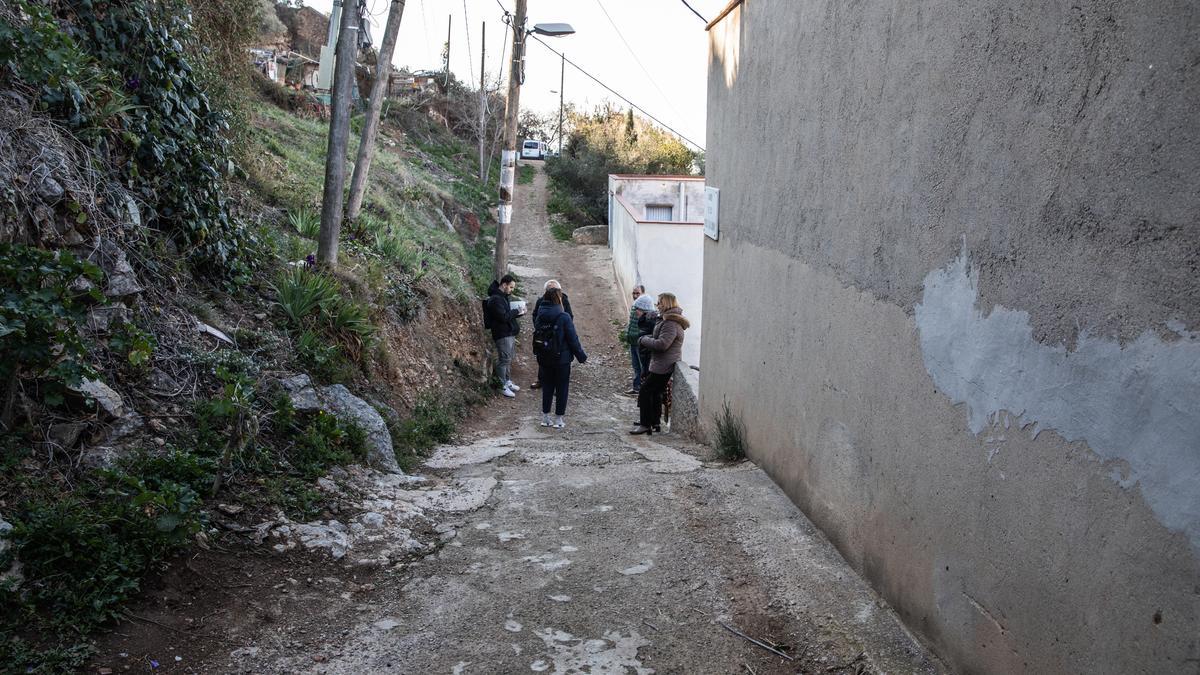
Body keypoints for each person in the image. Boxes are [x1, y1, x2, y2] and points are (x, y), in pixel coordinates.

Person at [631, 292, 688, 435]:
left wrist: (643, 339)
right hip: (662, 363)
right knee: (655, 393)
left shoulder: (671, 323)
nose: (657, 305)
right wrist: (648, 337)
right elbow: (658, 338)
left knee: (645, 391)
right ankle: (654, 422)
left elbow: (662, 344)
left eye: (660, 302)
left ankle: (645, 424)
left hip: (663, 365)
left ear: (667, 304)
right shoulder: (668, 320)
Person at [534, 287, 587, 429]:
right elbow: (572, 339)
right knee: (562, 388)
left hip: (544, 356)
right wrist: (581, 356)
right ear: (558, 300)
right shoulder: (564, 317)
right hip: (561, 359)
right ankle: (558, 420)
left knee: (547, 387)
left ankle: (545, 418)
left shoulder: (540, 315)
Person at [486, 274, 525, 398]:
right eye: (511, 287)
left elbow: (507, 315)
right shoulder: (495, 299)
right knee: (504, 360)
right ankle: (501, 385)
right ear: (504, 285)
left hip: (508, 332)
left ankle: (507, 381)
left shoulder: (502, 297)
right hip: (502, 334)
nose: (512, 290)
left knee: (508, 359)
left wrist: (520, 313)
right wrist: (516, 311)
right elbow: (503, 317)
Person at [530, 280, 573, 389]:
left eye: (554, 290)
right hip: (544, 335)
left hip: (559, 336)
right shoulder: (540, 301)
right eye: (550, 290)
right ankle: (541, 380)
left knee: (559, 358)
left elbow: (569, 317)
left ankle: (556, 385)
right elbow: (535, 315)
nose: (552, 292)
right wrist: (539, 327)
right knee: (543, 357)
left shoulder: (564, 300)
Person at [623, 285, 647, 395]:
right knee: (636, 366)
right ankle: (636, 388)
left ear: (643, 293)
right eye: (634, 293)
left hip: (639, 342)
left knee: (642, 367)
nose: (635, 295)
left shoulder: (645, 308)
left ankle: (642, 389)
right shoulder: (634, 306)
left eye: (638, 293)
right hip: (633, 342)